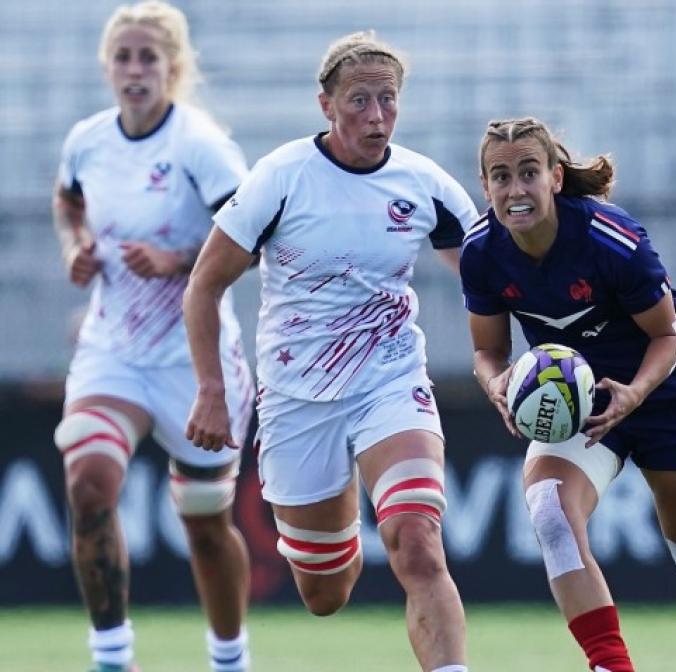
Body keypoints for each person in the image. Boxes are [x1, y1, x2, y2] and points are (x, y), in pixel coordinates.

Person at [184, 31, 473, 672]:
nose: (376, 117)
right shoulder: (282, 177)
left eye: (388, 101)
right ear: (326, 105)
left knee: (418, 543)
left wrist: (509, 363)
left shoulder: (424, 183)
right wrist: (210, 389)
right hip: (296, 399)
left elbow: (487, 282)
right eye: (360, 100)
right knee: (323, 593)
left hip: (390, 383)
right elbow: (204, 285)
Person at [462, 117, 676, 672]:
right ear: (485, 186)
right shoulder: (481, 251)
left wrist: (634, 393)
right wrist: (497, 383)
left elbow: (667, 334)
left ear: (556, 178)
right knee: (549, 510)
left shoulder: (611, 239)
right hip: (578, 402)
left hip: (662, 387)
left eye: (529, 173)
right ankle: (611, 665)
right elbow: (488, 351)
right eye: (501, 177)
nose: (516, 189)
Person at [52, 3, 254, 670]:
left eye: (148, 57)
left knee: (204, 524)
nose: (134, 69)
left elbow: (251, 239)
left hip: (193, 361)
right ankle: (112, 657)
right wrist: (76, 245)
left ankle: (229, 658)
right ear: (107, 66)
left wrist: (176, 261)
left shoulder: (199, 145)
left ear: (173, 67)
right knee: (88, 483)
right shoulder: (87, 140)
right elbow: (69, 199)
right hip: (113, 349)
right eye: (123, 57)